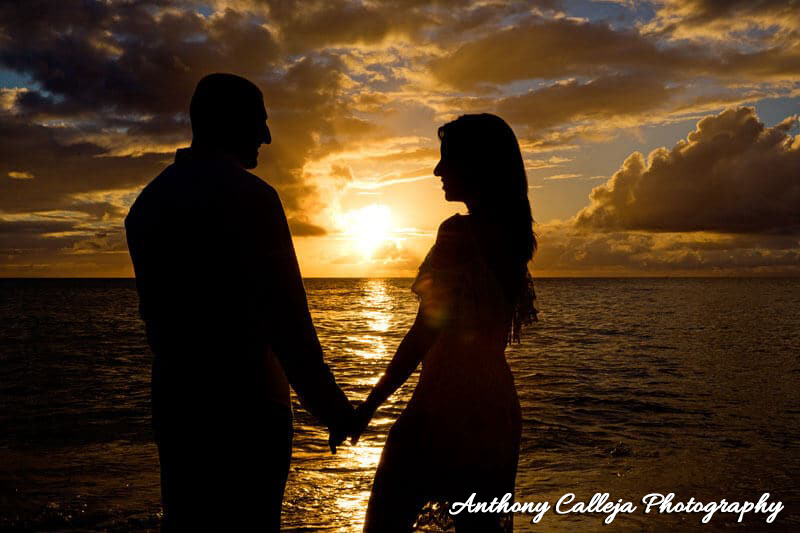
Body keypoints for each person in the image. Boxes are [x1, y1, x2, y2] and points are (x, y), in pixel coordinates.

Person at [125, 73, 354, 532]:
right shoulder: (254, 199)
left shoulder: (147, 204)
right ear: (228, 121)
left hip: (177, 408)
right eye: (260, 121)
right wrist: (331, 407)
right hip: (248, 412)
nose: (268, 136)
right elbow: (288, 321)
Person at [348, 114, 538, 532]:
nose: (437, 170)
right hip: (495, 411)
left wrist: (367, 407)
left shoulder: (456, 235)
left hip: (445, 406)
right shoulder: (513, 239)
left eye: (446, 159)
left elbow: (425, 330)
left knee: (383, 525)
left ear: (476, 166)